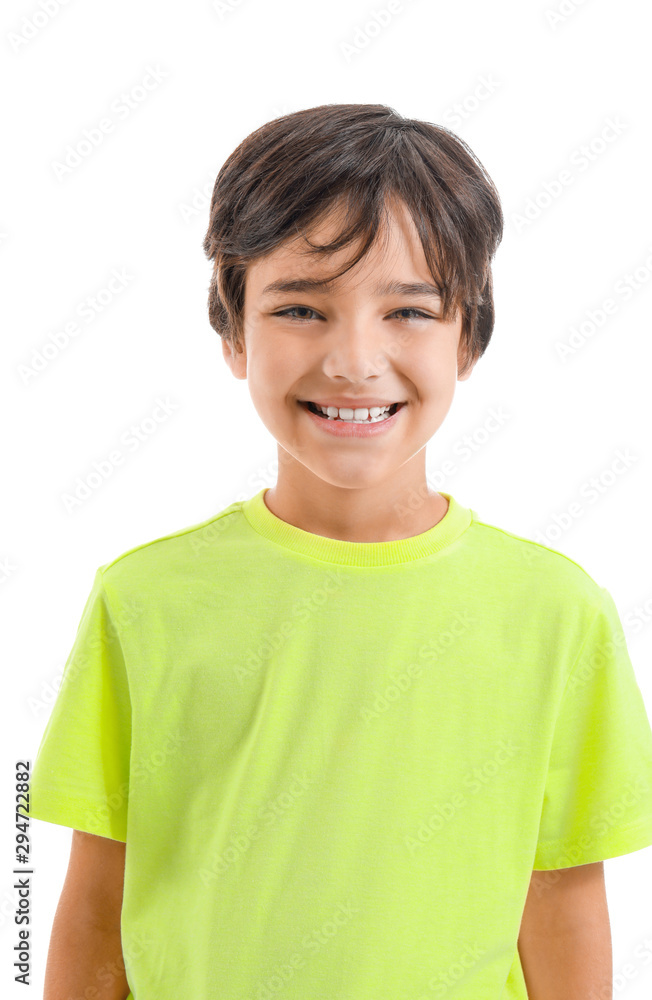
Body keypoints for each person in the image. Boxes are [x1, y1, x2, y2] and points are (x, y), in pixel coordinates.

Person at [29, 103, 652, 1000]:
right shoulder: (145, 599)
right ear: (234, 332)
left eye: (409, 309)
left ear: (468, 336)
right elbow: (97, 898)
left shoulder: (557, 612)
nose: (356, 359)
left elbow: (558, 899)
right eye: (300, 308)